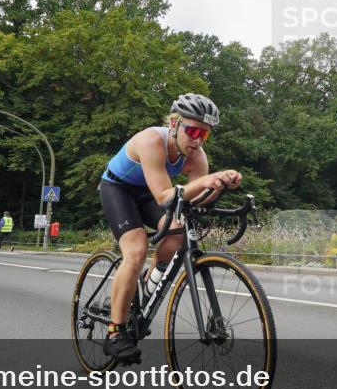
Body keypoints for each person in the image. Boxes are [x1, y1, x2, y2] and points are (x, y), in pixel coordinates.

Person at [98, 93, 242, 363]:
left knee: (178, 230)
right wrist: (206, 181)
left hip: (150, 193)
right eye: (193, 131)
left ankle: (148, 280)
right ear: (174, 124)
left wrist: (219, 184)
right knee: (136, 250)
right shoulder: (152, 141)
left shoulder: (197, 156)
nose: (198, 140)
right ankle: (115, 332)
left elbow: (195, 200)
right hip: (119, 189)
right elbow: (165, 196)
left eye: (205, 134)